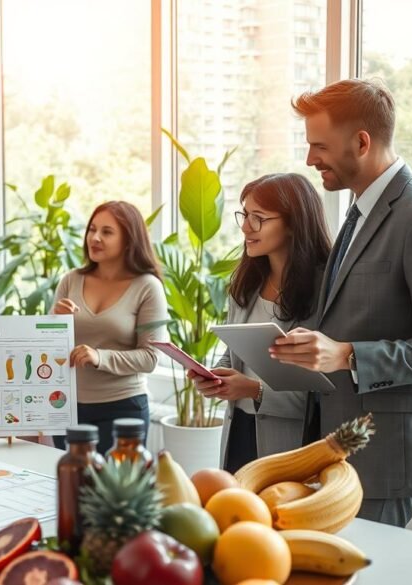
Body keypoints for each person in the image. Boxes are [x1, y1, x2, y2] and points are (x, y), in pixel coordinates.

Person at [270, 79, 412, 527]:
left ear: (361, 142)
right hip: (341, 443)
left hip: (384, 454)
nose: (309, 160)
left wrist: (345, 355)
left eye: (319, 146)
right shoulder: (359, 209)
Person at [189, 174, 331, 473]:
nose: (245, 227)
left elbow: (324, 394)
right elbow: (233, 355)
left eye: (259, 218)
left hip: (290, 444)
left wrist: (254, 390)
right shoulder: (245, 283)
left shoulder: (326, 290)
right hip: (239, 429)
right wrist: (214, 377)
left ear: (293, 223)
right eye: (244, 215)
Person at [51, 201, 168, 454]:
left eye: (107, 232)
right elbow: (49, 348)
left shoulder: (147, 287)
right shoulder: (71, 280)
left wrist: (98, 356)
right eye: (92, 229)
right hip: (65, 407)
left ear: (128, 240)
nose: (94, 238)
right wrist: (55, 320)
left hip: (123, 410)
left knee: (115, 493)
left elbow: (150, 358)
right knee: (70, 487)